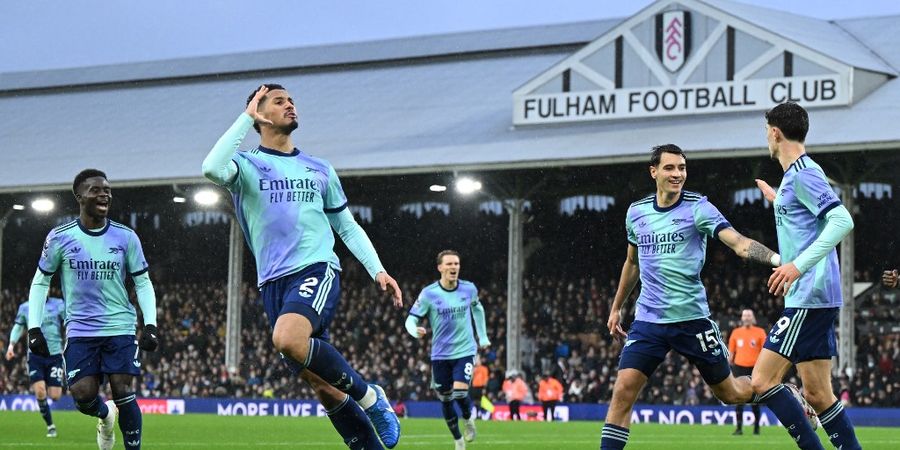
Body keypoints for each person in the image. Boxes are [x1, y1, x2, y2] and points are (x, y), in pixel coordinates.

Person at [202, 84, 402, 449]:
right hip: (271, 284)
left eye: (291, 100)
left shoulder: (319, 168)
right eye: (279, 101)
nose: (290, 105)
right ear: (259, 113)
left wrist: (378, 269)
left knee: (287, 338)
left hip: (315, 268)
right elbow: (211, 168)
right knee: (321, 384)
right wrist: (245, 119)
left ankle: (371, 396)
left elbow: (346, 226)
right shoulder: (246, 165)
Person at [601, 144, 794, 450]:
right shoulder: (636, 213)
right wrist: (616, 308)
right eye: (670, 168)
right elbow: (632, 262)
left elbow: (741, 244)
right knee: (623, 391)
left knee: (730, 394)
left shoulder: (698, 208)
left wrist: (778, 260)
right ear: (654, 172)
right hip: (648, 321)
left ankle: (780, 392)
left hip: (692, 320)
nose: (677, 174)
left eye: (682, 168)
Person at [752, 102, 861, 450]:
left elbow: (842, 220)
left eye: (766, 131)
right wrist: (778, 200)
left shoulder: (803, 173)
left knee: (761, 381)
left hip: (808, 296)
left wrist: (797, 266)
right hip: (815, 296)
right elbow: (804, 223)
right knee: (817, 393)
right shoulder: (793, 178)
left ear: (774, 132)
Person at [26, 169, 159, 450]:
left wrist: (150, 324)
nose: (104, 194)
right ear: (79, 197)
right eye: (96, 190)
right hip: (80, 329)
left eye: (107, 190)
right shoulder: (60, 237)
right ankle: (104, 414)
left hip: (119, 326)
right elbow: (41, 282)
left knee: (123, 390)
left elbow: (143, 282)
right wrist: (34, 327)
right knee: (83, 395)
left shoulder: (126, 237)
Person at [406, 250, 490, 450]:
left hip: (465, 350)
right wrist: (413, 331)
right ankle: (458, 439)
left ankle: (469, 419)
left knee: (460, 393)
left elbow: (478, 309)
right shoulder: (429, 294)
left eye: (457, 264)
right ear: (440, 267)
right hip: (440, 354)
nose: (454, 267)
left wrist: (483, 336)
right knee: (445, 399)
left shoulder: (469, 289)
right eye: (450, 264)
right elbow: (411, 319)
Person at [6, 297, 66, 438]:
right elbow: (18, 326)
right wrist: (11, 345)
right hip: (35, 356)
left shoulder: (59, 304)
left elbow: (68, 321)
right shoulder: (25, 307)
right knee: (40, 392)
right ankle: (50, 426)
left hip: (55, 355)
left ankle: (49, 417)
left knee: (55, 396)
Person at [727, 309, 767, 435]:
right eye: (745, 315)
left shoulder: (760, 332)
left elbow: (764, 352)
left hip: (755, 368)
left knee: (755, 400)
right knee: (739, 399)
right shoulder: (736, 332)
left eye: (749, 315)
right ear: (742, 318)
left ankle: (756, 428)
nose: (747, 317)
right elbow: (731, 353)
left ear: (753, 317)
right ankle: (739, 428)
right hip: (739, 367)